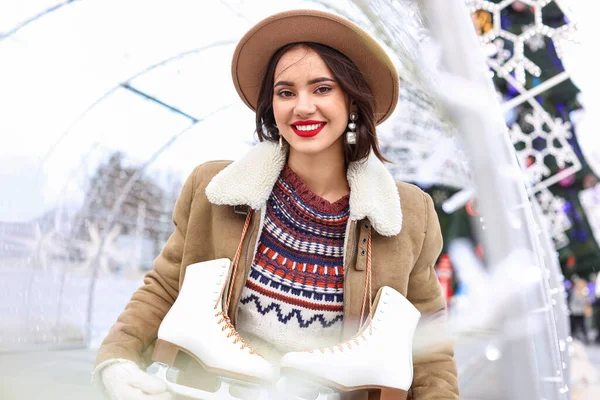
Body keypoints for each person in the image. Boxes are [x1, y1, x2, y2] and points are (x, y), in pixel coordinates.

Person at [92, 9, 459, 400]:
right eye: (286, 92)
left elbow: (429, 343)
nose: (302, 107)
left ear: (352, 101)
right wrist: (117, 360)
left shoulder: (408, 214)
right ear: (272, 106)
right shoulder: (214, 189)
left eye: (322, 89)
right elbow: (165, 286)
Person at [569, 277, 591, 344]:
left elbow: (585, 301)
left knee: (582, 326)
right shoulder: (575, 291)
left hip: (580, 312)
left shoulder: (583, 291)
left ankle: (585, 338)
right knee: (574, 326)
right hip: (575, 311)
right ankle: (573, 337)